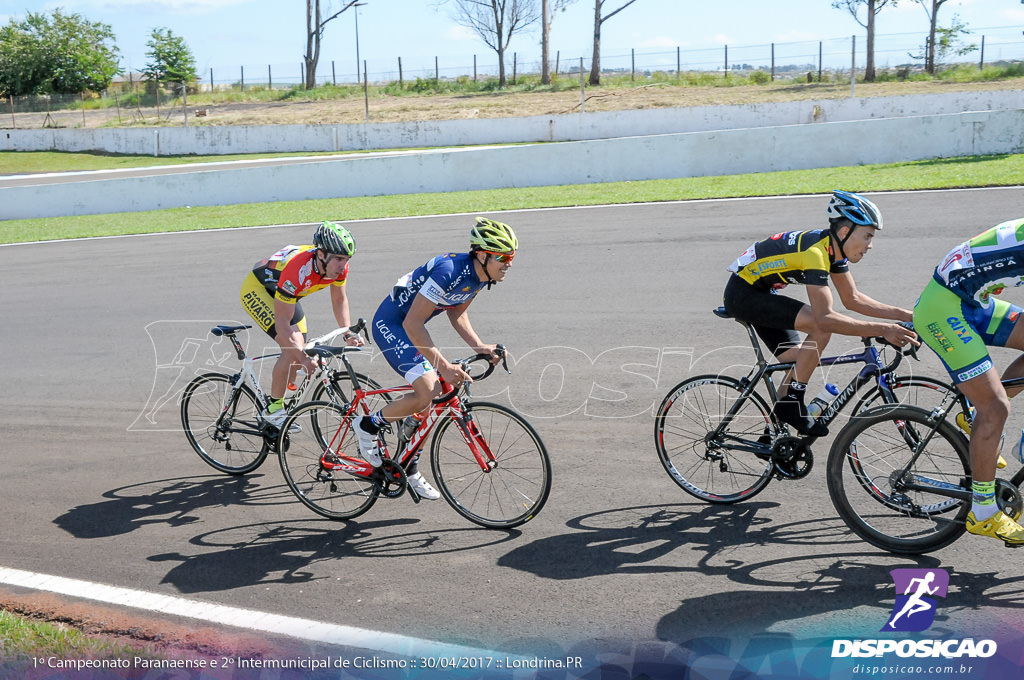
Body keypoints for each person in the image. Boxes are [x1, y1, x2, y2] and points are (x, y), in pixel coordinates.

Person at [338, 217, 517, 500]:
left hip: (412, 324)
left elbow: (456, 312)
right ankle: (368, 425)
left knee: (440, 392)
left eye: (512, 256)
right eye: (503, 257)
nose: (509, 263)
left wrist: (481, 346)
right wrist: (443, 366)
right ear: (482, 254)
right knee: (429, 388)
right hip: (393, 324)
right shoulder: (450, 271)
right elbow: (412, 324)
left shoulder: (480, 277)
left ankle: (408, 466)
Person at [723, 190, 918, 437]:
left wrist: (910, 316)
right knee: (820, 327)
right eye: (867, 236)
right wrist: (884, 329)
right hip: (744, 294)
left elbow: (853, 299)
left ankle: (774, 434)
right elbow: (825, 318)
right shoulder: (815, 253)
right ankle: (793, 403)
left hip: (763, 292)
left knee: (799, 360)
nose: (870, 245)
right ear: (845, 232)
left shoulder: (832, 249)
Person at [914, 217, 1024, 545]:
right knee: (996, 408)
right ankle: (984, 511)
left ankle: (975, 418)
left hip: (970, 301)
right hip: (944, 310)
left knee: (988, 409)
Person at [240, 221, 365, 427]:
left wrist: (348, 332)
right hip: (259, 289)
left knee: (300, 349)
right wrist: (302, 357)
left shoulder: (337, 266)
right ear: (322, 254)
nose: (343, 265)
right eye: (339, 259)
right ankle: (273, 410)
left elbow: (339, 300)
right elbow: (282, 323)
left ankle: (285, 395)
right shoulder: (299, 270)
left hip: (286, 294)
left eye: (347, 259)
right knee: (293, 349)